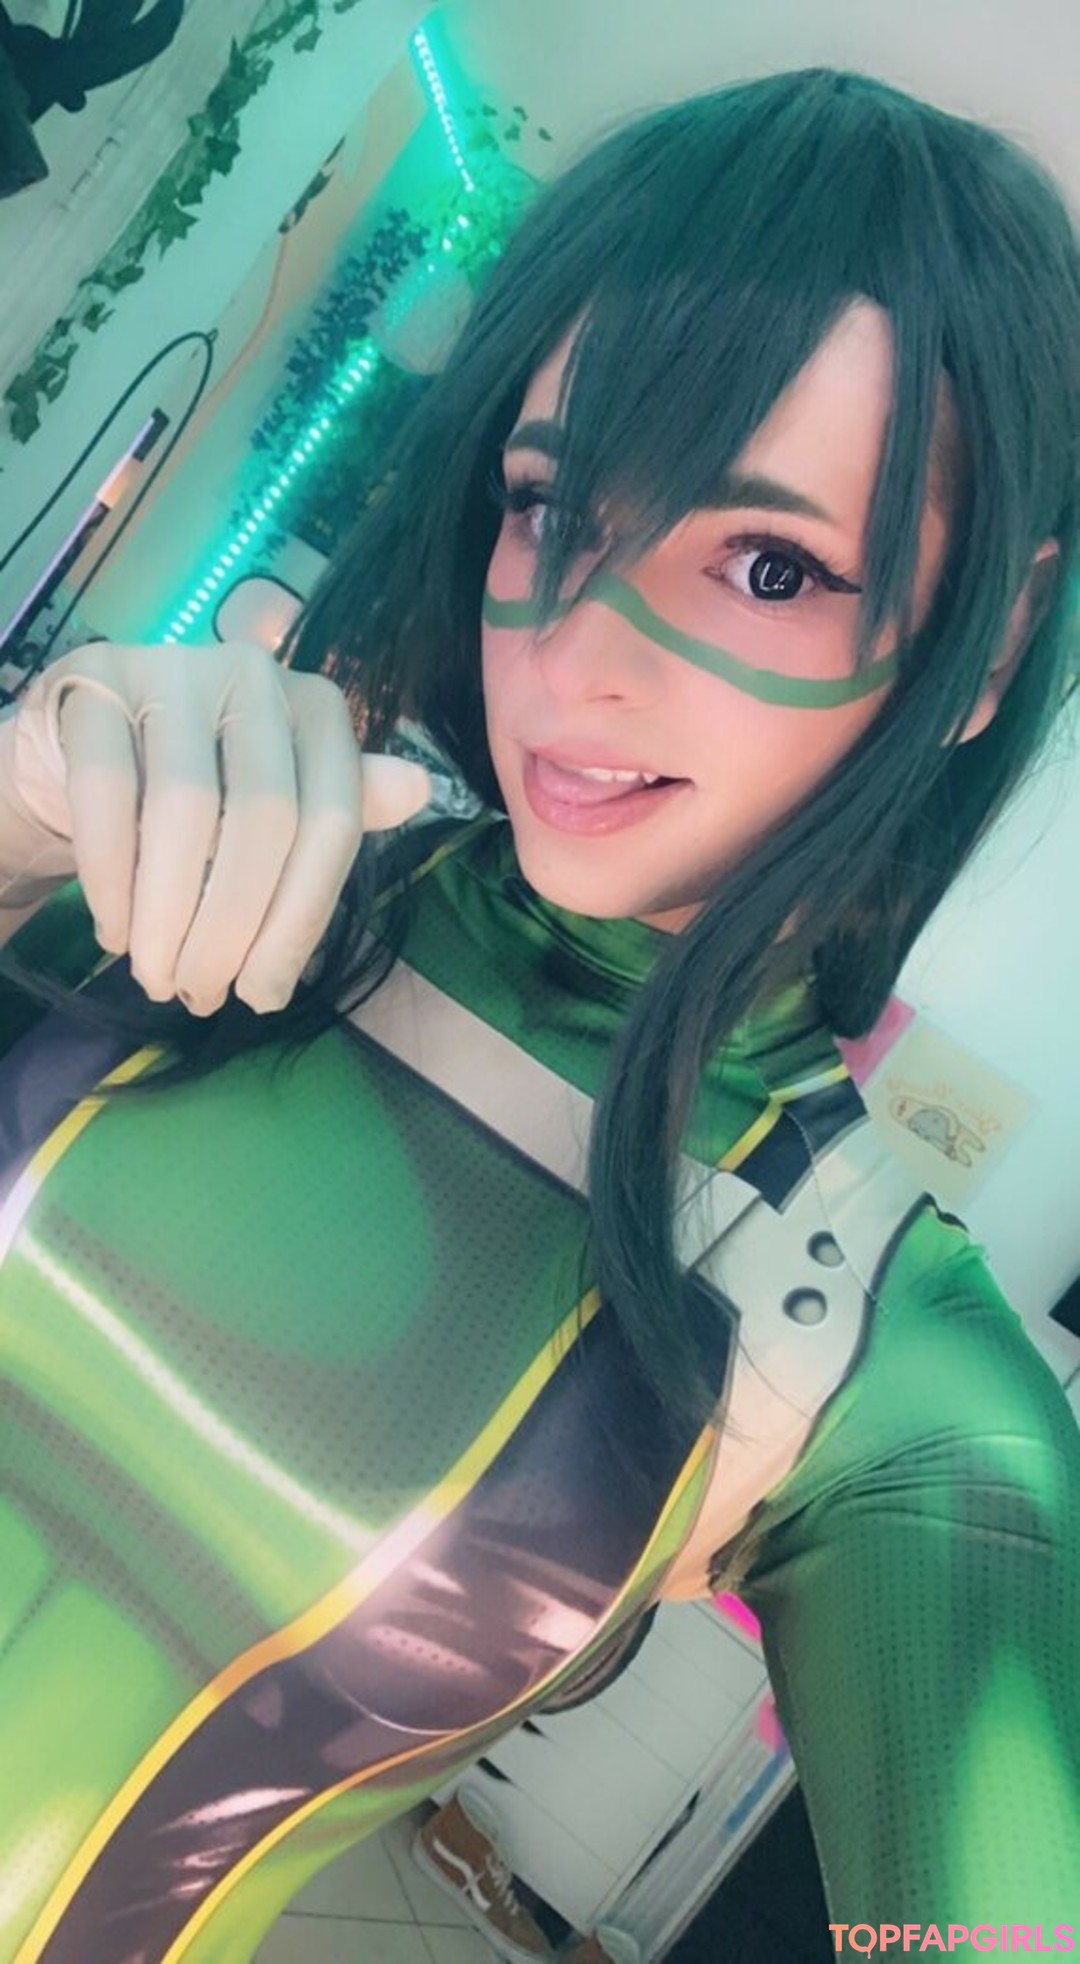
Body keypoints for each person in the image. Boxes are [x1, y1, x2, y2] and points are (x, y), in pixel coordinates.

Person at [1, 65, 1078, 1964]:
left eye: (768, 565)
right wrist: (17, 816)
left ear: (984, 642)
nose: (577, 657)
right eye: (550, 504)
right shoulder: (232, 867)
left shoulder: (875, 1362)